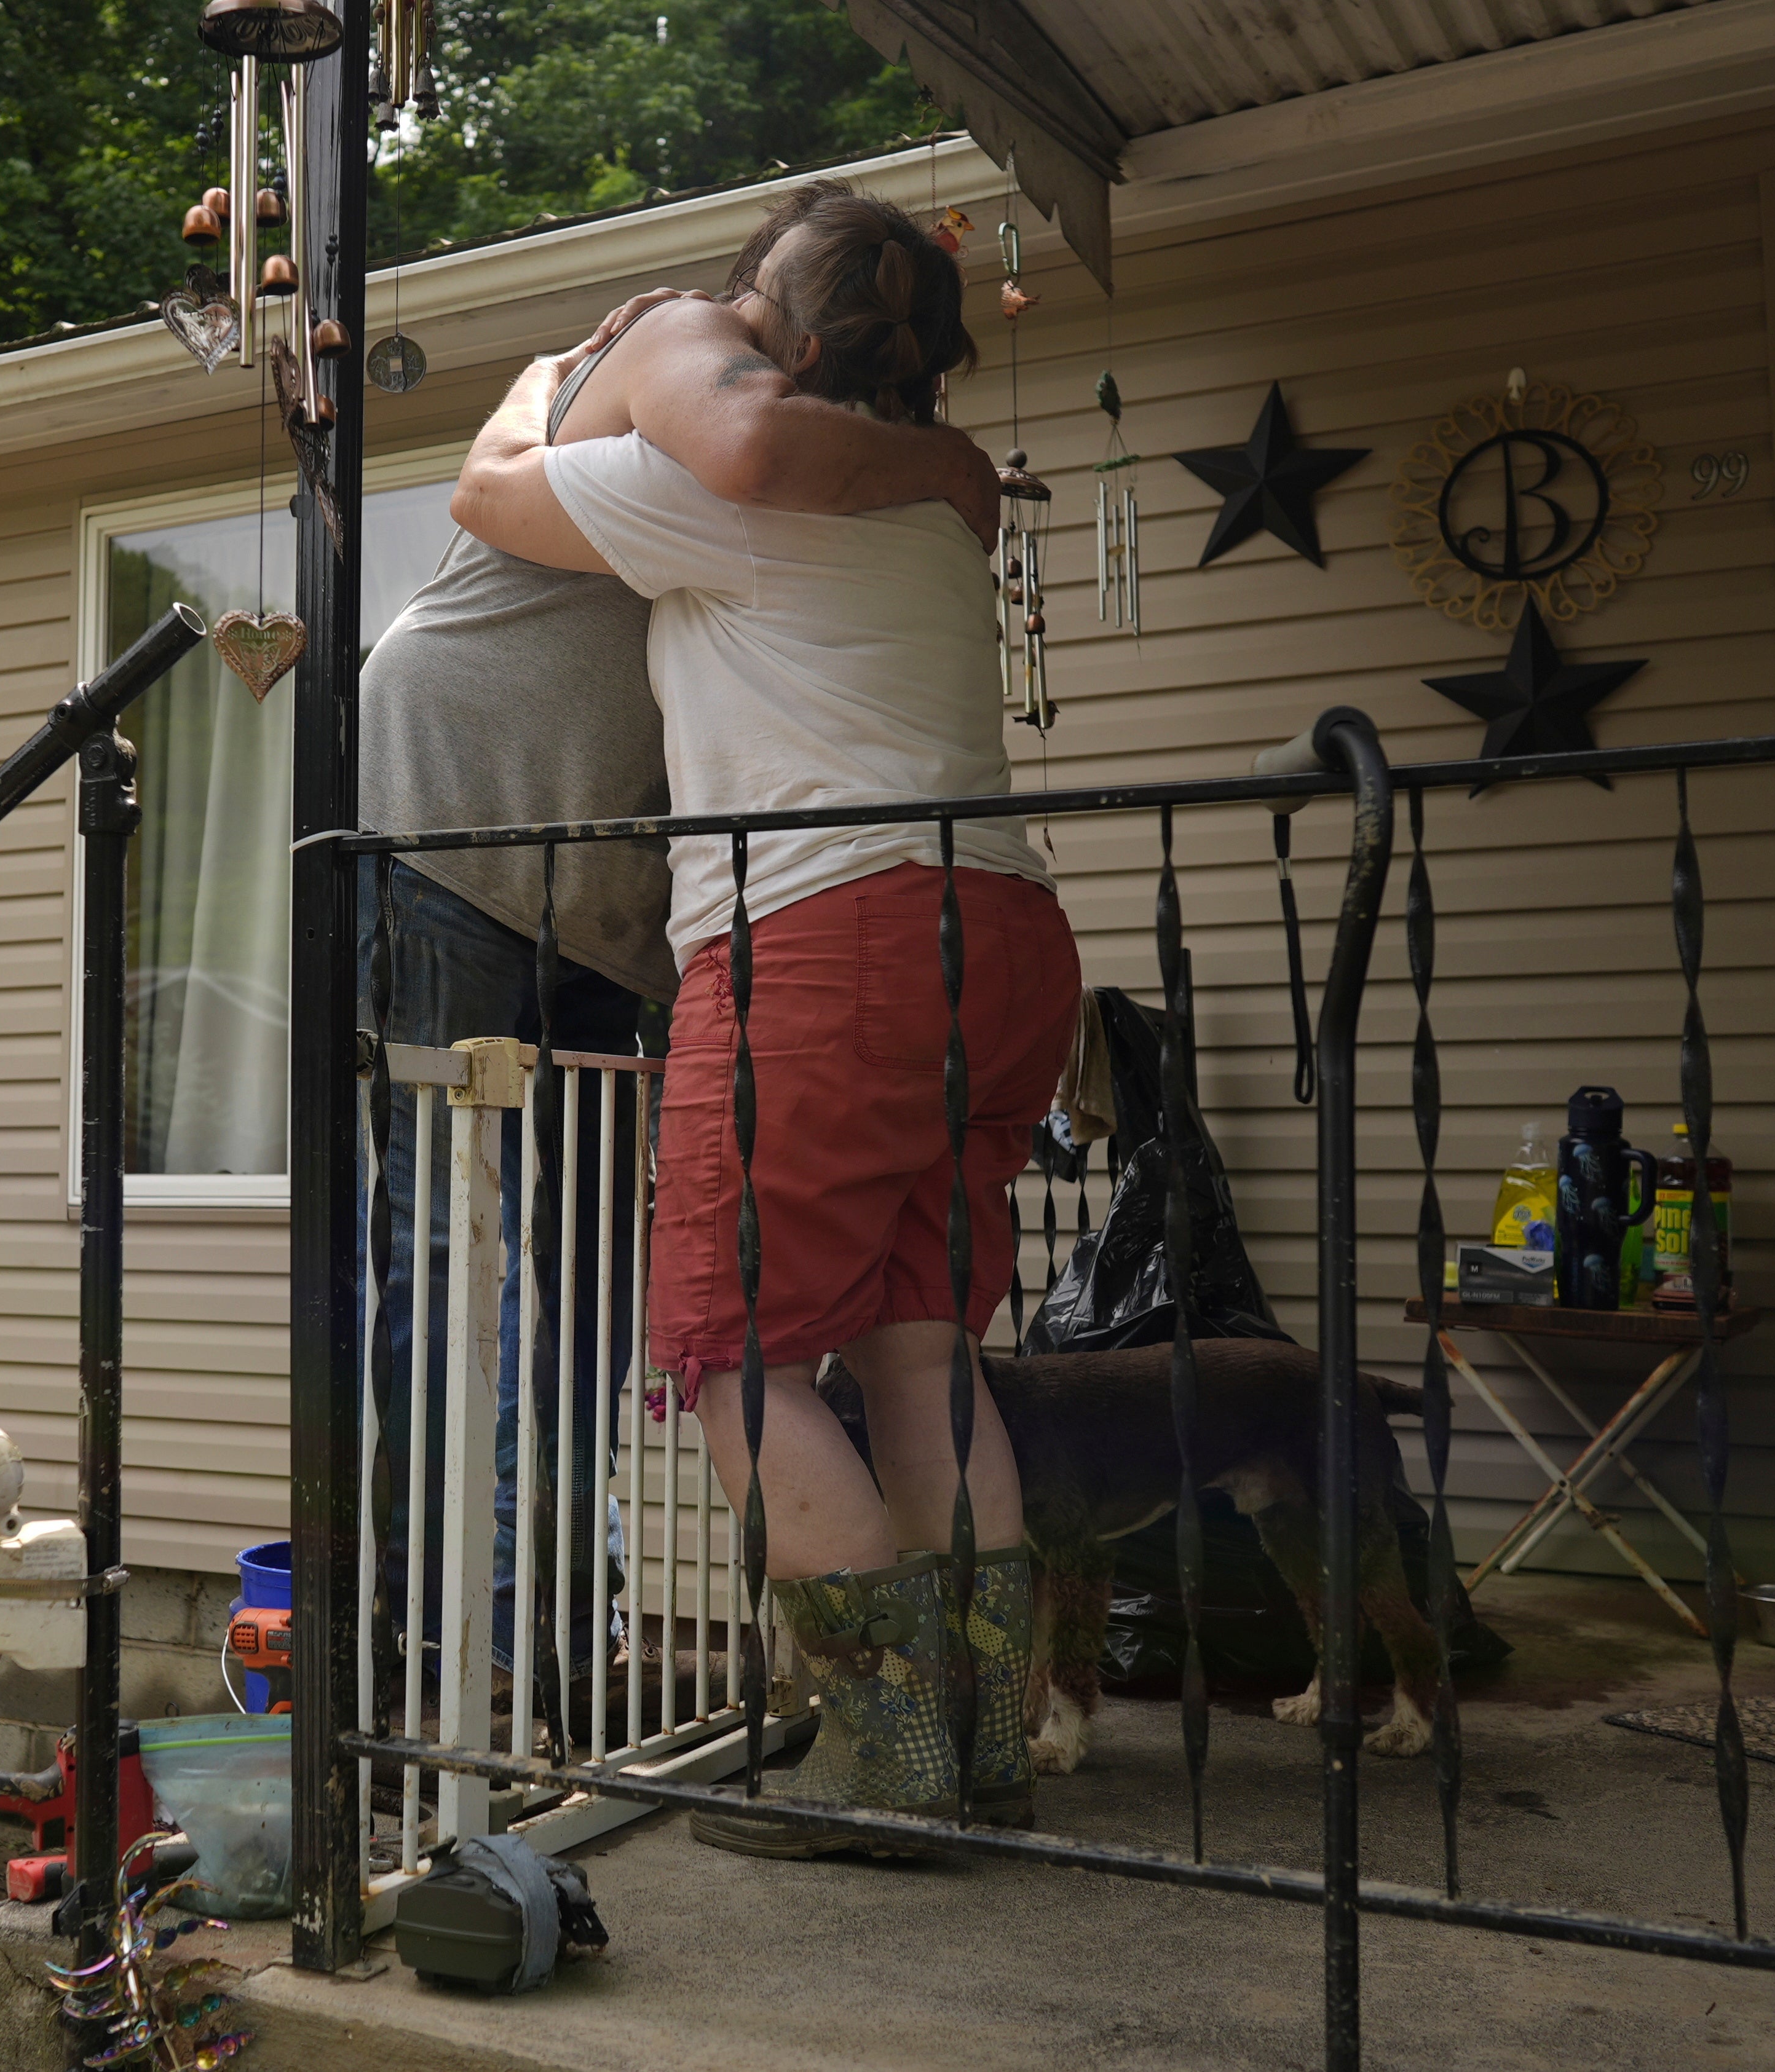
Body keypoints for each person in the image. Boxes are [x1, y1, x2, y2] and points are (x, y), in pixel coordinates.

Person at [451, 178, 1079, 1851]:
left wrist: (548, 371)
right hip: (1004, 933)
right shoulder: (942, 506)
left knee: (726, 1351)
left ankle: (889, 1763)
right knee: (919, 1343)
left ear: (774, 333)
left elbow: (485, 494)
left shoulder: (725, 487)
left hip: (825, 935)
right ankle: (988, 1741)